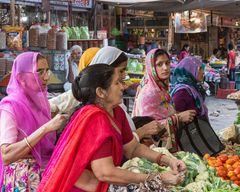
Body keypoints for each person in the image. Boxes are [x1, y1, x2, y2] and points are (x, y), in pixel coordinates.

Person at [38, 64, 186, 192]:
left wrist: (168, 160)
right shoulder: (95, 119)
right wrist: (157, 178)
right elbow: (105, 172)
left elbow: (132, 148)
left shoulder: (116, 111)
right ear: (101, 92)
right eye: (117, 83)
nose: (123, 86)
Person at [0, 52, 67, 191]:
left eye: (47, 70)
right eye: (39, 72)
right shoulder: (10, 107)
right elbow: (6, 155)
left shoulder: (42, 104)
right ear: (21, 78)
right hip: (23, 179)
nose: (46, 77)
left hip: (45, 172)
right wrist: (45, 129)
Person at [132, 49, 196, 152]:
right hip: (152, 152)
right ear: (151, 67)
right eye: (159, 64)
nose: (165, 68)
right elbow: (148, 129)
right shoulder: (149, 94)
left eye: (167, 63)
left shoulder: (160, 88)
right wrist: (178, 118)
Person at [50, 47, 100, 116]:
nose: (77, 55)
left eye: (79, 53)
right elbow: (71, 81)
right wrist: (70, 64)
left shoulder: (85, 89)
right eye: (74, 53)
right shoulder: (71, 65)